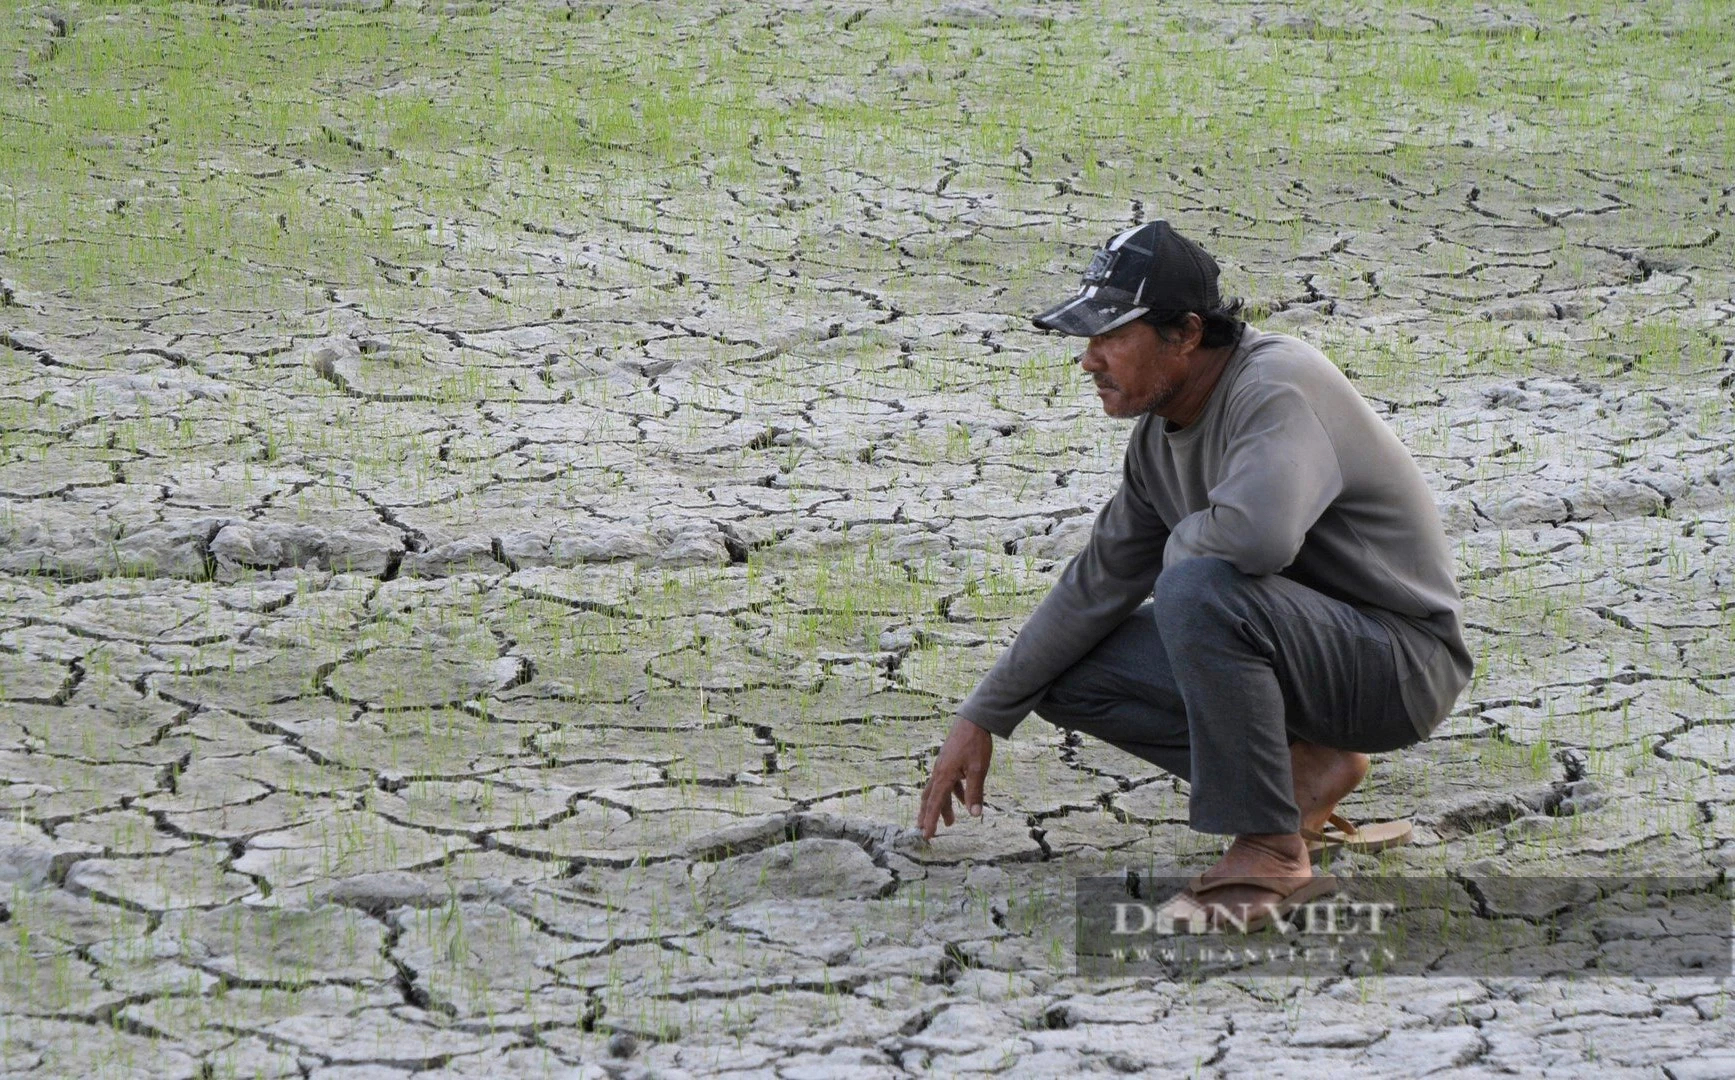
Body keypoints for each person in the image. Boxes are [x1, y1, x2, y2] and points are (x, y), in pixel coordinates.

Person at [915, 220, 1473, 927]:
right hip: (1302, 656)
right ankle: (1303, 774)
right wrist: (984, 714)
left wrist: (1172, 555)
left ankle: (1270, 849)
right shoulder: (1158, 437)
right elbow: (1097, 583)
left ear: (1183, 334)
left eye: (1111, 336)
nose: (1089, 361)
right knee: (1061, 669)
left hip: (1397, 665)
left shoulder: (1275, 385)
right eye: (1087, 340)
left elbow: (1257, 540)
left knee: (1197, 582)